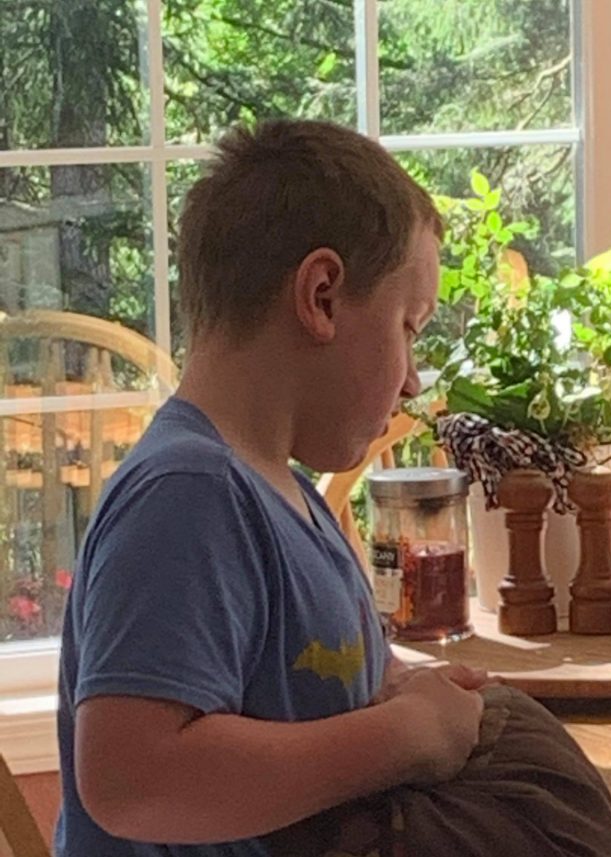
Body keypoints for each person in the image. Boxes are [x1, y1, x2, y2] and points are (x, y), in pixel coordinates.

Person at [55, 119, 488, 856]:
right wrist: (408, 733)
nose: (413, 379)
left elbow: (306, 698)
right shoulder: (189, 493)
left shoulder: (290, 498)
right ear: (321, 296)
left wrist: (407, 690)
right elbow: (135, 778)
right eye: (408, 327)